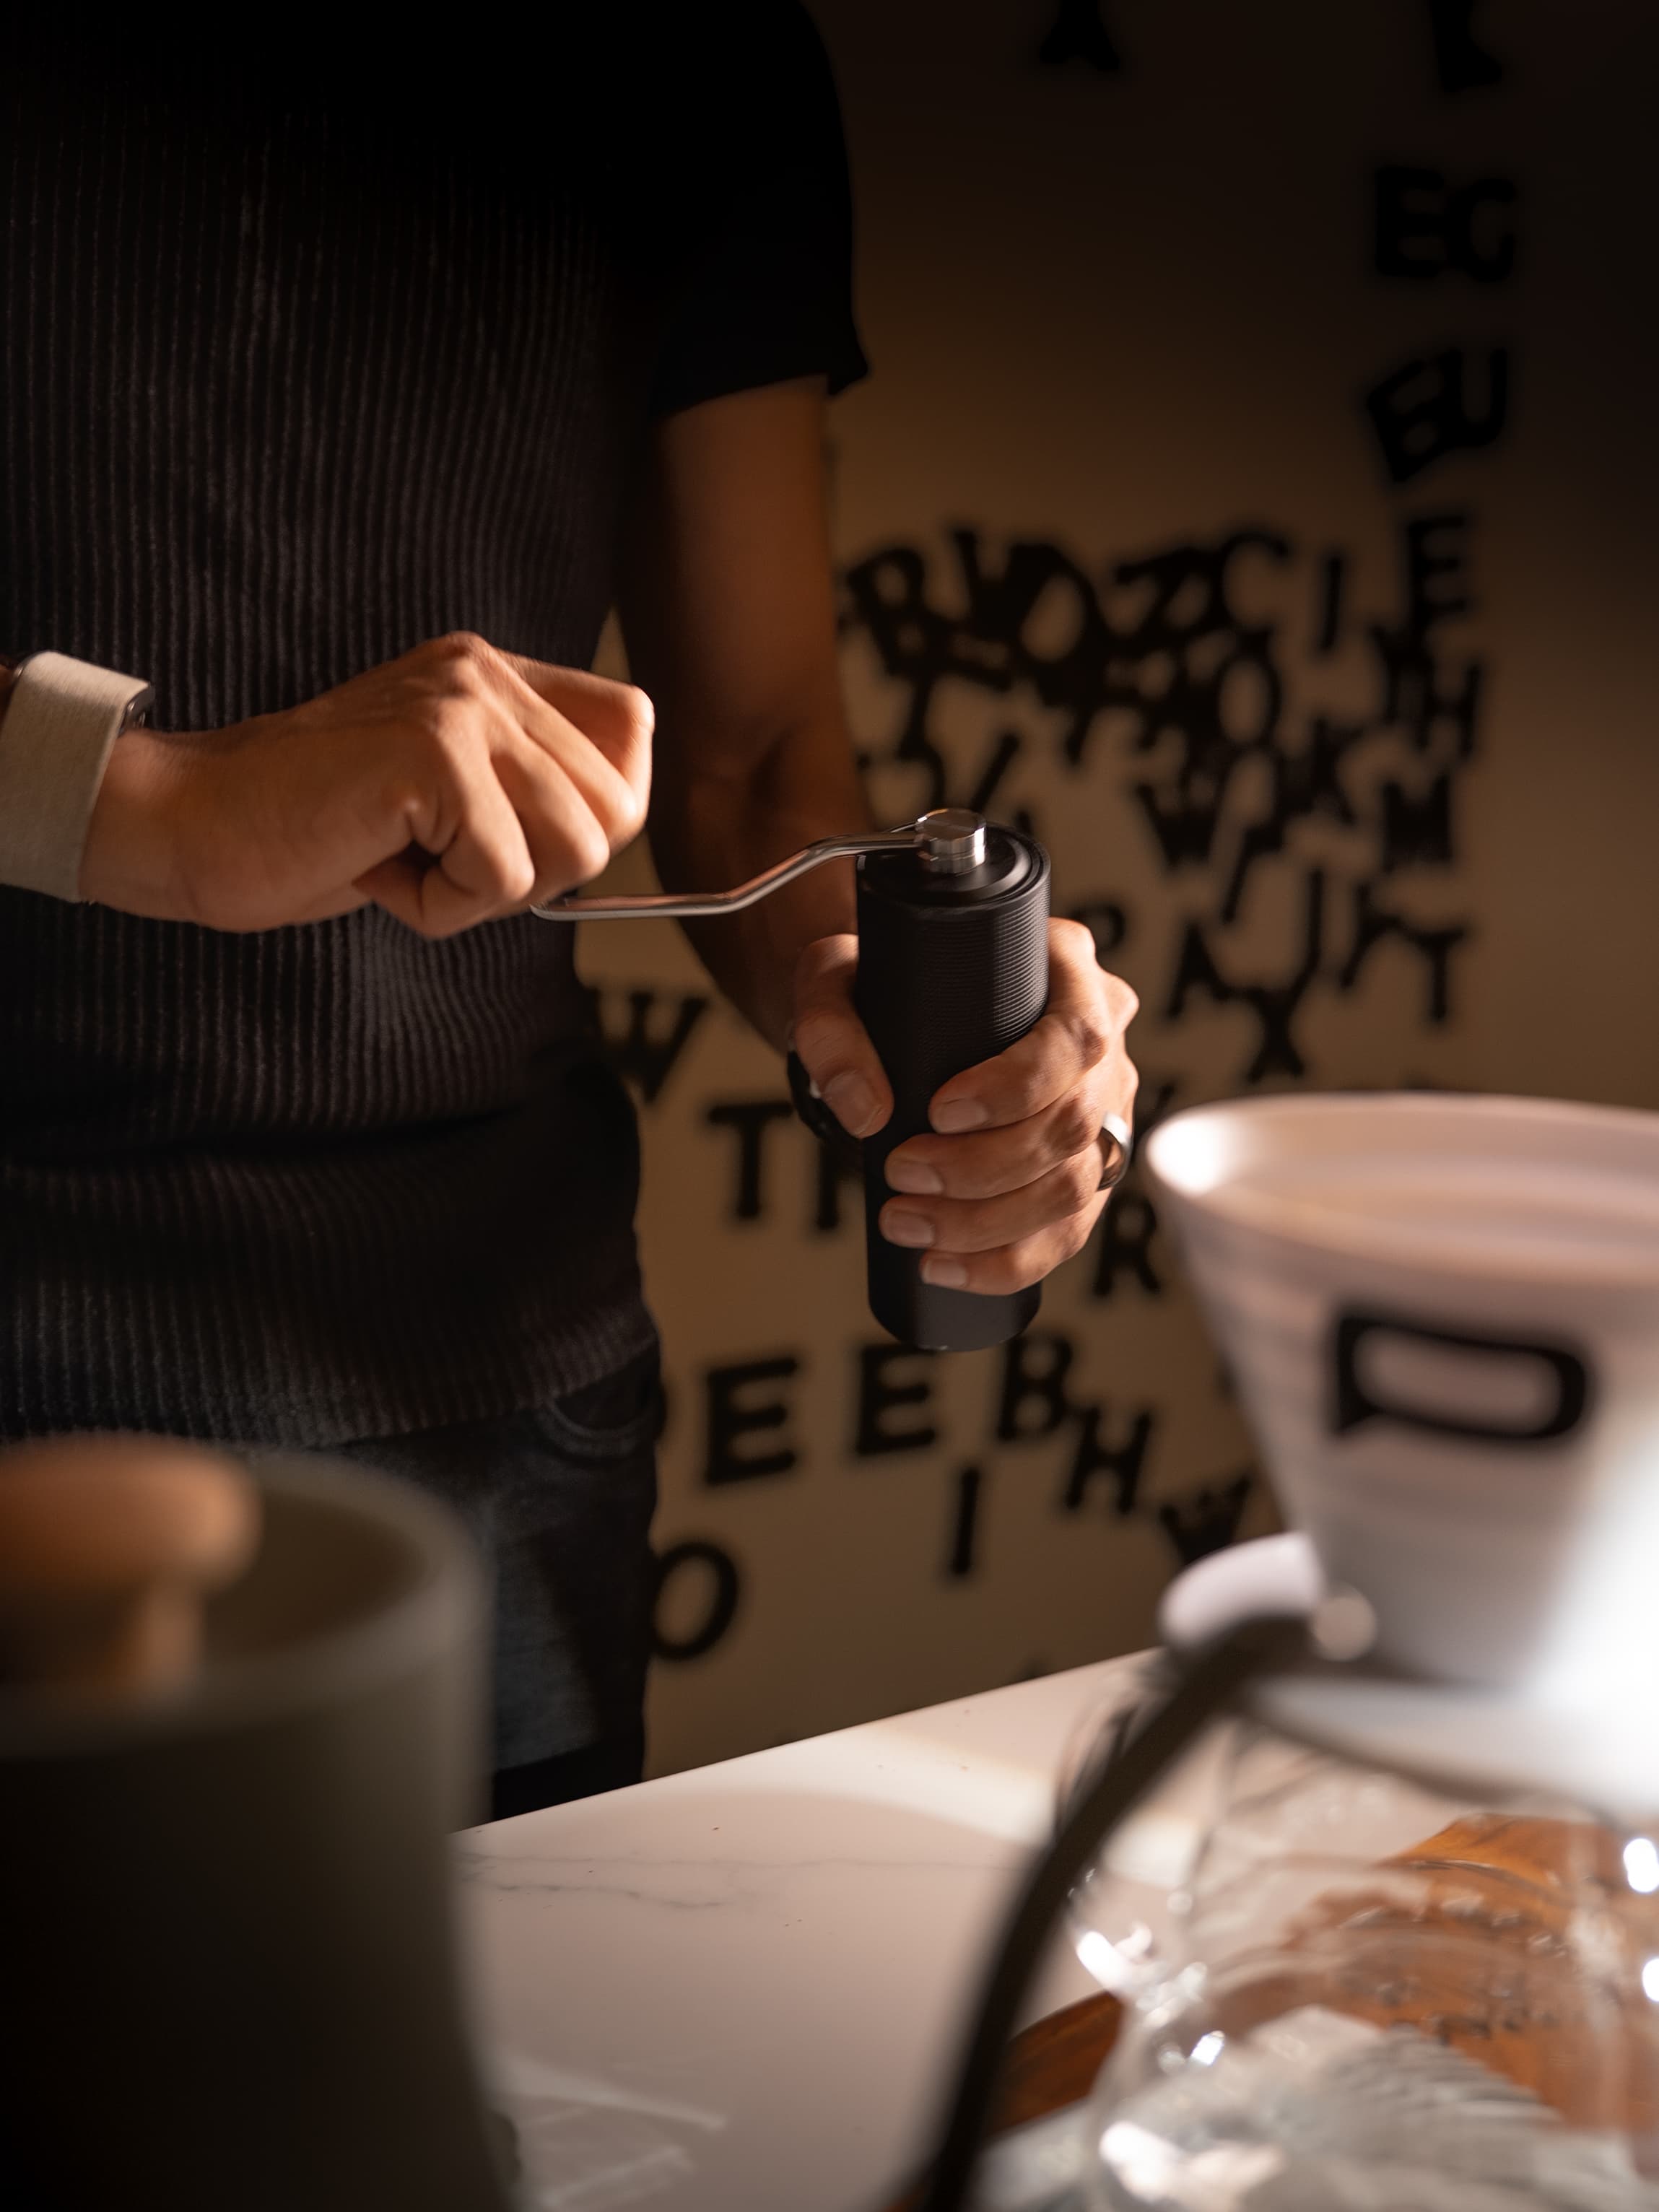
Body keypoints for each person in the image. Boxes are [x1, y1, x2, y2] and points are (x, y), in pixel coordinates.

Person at [0, 9, 1138, 1816]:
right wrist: (143, 802)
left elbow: (754, 760)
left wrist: (908, 1002)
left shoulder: (707, 50)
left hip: (489, 1395)